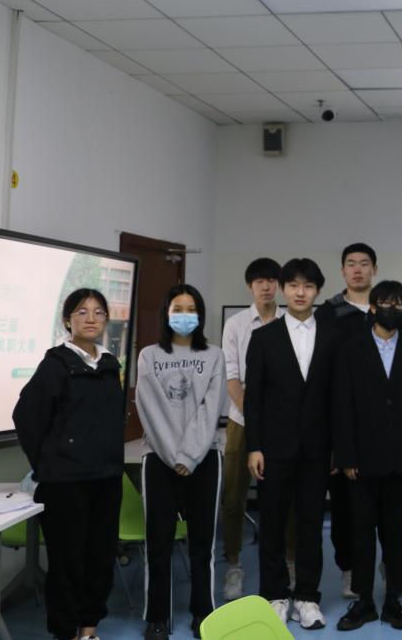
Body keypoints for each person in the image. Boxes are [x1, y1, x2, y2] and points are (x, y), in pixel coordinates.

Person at [13, 288, 125, 640]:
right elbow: (27, 418)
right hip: (65, 483)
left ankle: (89, 629)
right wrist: (47, 464)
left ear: (106, 319)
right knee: (67, 564)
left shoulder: (109, 365)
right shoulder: (56, 364)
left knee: (100, 559)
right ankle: (65, 632)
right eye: (82, 312)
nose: (91, 318)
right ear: (67, 320)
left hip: (106, 478)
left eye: (98, 312)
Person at [245, 258, 335, 629]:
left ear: (318, 291)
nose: (300, 292)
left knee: (312, 524)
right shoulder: (264, 337)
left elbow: (339, 397)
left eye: (308, 286)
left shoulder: (332, 335)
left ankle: (308, 598)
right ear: (283, 289)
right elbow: (254, 398)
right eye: (294, 285)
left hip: (318, 448)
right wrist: (254, 445)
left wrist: (338, 448)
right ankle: (275, 595)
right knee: (272, 524)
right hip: (273, 448)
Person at [135, 284, 227, 640]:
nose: (185, 315)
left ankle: (203, 613)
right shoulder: (149, 356)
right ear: (166, 313)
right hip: (159, 460)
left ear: (200, 316)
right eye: (178, 308)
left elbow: (211, 407)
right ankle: (157, 617)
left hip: (205, 458)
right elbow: (151, 409)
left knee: (203, 544)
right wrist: (175, 456)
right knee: (158, 543)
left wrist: (190, 455)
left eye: (192, 309)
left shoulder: (214, 356)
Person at [332, 281, 402, 631]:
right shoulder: (350, 350)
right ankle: (364, 601)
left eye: (399, 304)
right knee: (361, 533)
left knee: (396, 535)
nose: (392, 309)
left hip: (401, 459)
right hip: (360, 460)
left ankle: (394, 600)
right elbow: (342, 406)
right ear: (372, 307)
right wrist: (345, 456)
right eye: (385, 303)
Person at [315, 243, 389, 601]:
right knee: (344, 506)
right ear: (343, 270)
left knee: (386, 504)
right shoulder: (328, 313)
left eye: (364, 263)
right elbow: (321, 372)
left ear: (374, 268)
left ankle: (388, 563)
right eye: (351, 264)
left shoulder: (389, 306)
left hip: (383, 425)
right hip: (342, 423)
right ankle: (349, 568)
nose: (358, 269)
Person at [219, 257, 284, 600]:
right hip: (242, 420)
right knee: (233, 496)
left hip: (283, 421)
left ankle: (288, 565)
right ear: (250, 286)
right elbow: (232, 378)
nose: (266, 286)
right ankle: (233, 565)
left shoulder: (291, 321)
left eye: (272, 280)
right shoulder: (236, 324)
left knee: (285, 496)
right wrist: (255, 415)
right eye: (260, 281)